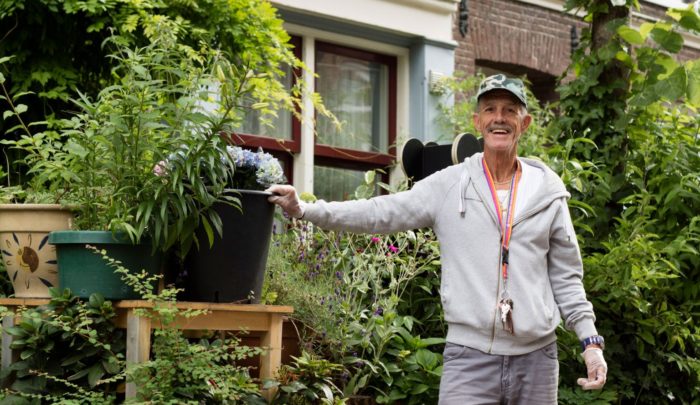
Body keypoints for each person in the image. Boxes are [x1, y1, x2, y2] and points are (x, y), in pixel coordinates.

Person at [267, 74, 607, 404]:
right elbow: (380, 212)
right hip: (469, 359)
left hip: (536, 361)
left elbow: (566, 276)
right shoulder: (450, 185)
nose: (499, 118)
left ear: (525, 122)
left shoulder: (547, 192)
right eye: (490, 109)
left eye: (509, 110)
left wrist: (590, 343)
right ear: (477, 121)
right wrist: (306, 210)